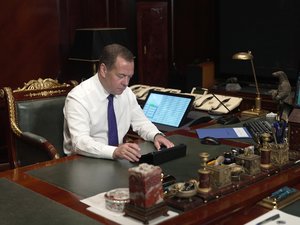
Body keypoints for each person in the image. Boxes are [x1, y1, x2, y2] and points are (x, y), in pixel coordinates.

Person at [63, 43, 174, 162]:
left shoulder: (126, 93)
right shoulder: (78, 97)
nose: (126, 83)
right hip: (83, 161)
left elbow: (141, 122)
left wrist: (156, 135)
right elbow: (80, 142)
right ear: (103, 70)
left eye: (129, 77)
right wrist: (114, 151)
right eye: (121, 76)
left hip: (116, 159)